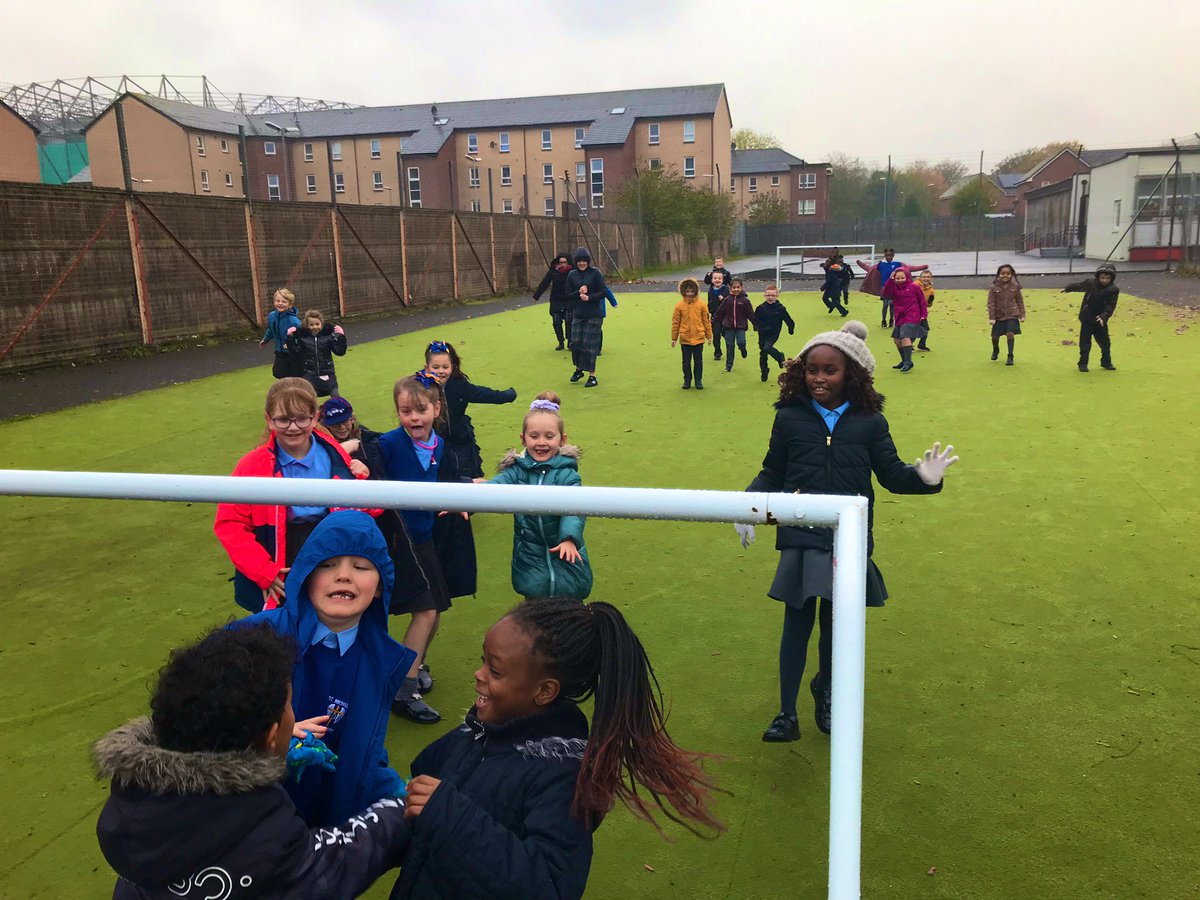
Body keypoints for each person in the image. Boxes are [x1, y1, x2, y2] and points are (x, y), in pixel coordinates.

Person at [388, 597, 723, 899]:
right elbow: (419, 785)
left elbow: (551, 884)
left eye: (495, 670)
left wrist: (450, 817)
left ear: (545, 691)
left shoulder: (564, 777)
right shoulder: (479, 731)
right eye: (483, 661)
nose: (478, 674)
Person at [735, 321, 958, 742]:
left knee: (836, 627)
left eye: (830, 370)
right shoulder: (789, 417)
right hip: (801, 535)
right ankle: (786, 713)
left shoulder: (870, 422)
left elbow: (891, 475)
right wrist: (747, 507)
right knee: (796, 623)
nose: (819, 378)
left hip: (847, 541)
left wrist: (925, 477)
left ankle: (828, 692)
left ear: (851, 374)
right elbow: (772, 471)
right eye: (812, 369)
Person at [93, 623, 410, 899]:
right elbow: (338, 861)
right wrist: (402, 812)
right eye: (288, 705)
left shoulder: (130, 808)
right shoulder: (269, 833)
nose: (293, 717)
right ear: (272, 735)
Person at [240, 510, 418, 827]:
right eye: (327, 564)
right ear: (305, 577)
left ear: (380, 587)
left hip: (324, 828)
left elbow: (364, 751)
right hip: (249, 816)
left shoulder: (381, 659)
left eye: (362, 566)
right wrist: (265, 737)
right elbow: (198, 721)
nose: (344, 575)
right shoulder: (251, 639)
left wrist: (399, 796)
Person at [214, 378, 371, 613]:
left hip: (330, 550)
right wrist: (264, 571)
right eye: (283, 419)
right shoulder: (252, 466)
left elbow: (363, 512)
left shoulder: (333, 453)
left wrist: (361, 480)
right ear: (269, 420)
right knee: (281, 634)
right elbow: (230, 524)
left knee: (333, 625)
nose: (293, 427)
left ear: (315, 417)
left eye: (301, 418)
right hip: (279, 557)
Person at [377, 372, 465, 725]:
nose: (413, 418)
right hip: (400, 539)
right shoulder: (388, 443)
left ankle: (417, 663)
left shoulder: (439, 445)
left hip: (425, 535)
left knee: (437, 608)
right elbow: (365, 453)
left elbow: (441, 481)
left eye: (420, 410)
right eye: (405, 411)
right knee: (425, 610)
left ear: (436, 409)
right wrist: (353, 448)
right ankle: (403, 688)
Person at [321, 395, 436, 629]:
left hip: (380, 529)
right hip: (342, 535)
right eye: (335, 424)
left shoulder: (373, 440)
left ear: (352, 418)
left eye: (345, 421)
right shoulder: (321, 450)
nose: (342, 427)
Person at [484, 393, 593, 601]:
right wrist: (465, 500)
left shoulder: (567, 473)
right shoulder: (517, 471)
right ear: (523, 439)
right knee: (535, 610)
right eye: (534, 436)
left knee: (571, 609)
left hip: (566, 555)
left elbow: (575, 507)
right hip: (530, 560)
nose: (541, 443)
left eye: (549, 436)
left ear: (562, 440)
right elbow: (494, 489)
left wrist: (569, 538)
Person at [425, 340, 517, 479]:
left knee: (466, 471)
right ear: (427, 368)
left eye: (445, 367)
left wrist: (505, 396)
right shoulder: (422, 389)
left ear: (452, 366)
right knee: (439, 473)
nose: (441, 371)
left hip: (461, 440)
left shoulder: (459, 385)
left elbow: (481, 393)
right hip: (434, 441)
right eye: (436, 367)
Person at [1063, 263, 1119, 372]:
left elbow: (1110, 305)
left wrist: (1104, 316)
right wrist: (1069, 288)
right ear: (1098, 277)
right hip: (1087, 317)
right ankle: (1083, 363)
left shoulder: (1113, 289)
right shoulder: (1091, 283)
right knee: (1085, 342)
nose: (1105, 280)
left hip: (1100, 320)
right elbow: (1079, 286)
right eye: (1102, 277)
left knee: (1105, 342)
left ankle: (1106, 361)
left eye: (1108, 278)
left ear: (1112, 279)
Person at [565, 248, 608, 388]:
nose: (582, 263)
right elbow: (567, 294)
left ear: (588, 261)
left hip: (594, 314)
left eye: (584, 261)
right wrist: (578, 292)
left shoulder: (595, 273)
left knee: (589, 344)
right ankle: (578, 369)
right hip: (578, 314)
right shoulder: (572, 275)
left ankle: (592, 376)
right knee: (575, 343)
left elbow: (603, 292)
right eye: (579, 261)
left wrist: (589, 297)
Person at [856, 250, 928, 327]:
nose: (888, 257)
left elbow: (909, 268)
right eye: (887, 256)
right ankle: (883, 320)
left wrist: (924, 267)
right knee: (885, 304)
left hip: (894, 288)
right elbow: (870, 269)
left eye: (890, 256)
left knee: (892, 304)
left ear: (893, 256)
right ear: (885, 256)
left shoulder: (898, 264)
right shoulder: (881, 265)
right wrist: (860, 263)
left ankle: (891, 319)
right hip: (884, 288)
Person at [286, 309, 347, 398]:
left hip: (327, 371)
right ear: (307, 325)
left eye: (317, 324)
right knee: (308, 396)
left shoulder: (328, 337)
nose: (315, 327)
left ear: (321, 324)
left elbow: (340, 352)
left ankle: (341, 411)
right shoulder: (303, 338)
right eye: (311, 325)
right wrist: (290, 338)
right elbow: (295, 352)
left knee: (335, 395)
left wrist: (341, 336)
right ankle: (311, 411)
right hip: (310, 372)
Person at [881, 267, 928, 373]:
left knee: (904, 336)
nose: (900, 280)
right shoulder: (893, 288)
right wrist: (890, 279)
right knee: (897, 340)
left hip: (912, 315)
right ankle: (904, 361)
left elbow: (922, 302)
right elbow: (885, 293)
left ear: (907, 277)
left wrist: (924, 316)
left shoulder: (914, 287)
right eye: (898, 278)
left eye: (902, 278)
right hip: (899, 316)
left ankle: (908, 362)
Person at [671, 277, 713, 390]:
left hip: (699, 338)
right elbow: (675, 322)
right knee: (686, 362)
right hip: (685, 338)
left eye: (691, 291)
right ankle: (687, 380)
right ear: (683, 291)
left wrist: (709, 336)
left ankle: (698, 380)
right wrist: (674, 338)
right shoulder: (679, 306)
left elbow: (706, 321)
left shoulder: (702, 305)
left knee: (698, 361)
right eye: (687, 291)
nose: (689, 293)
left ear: (695, 291)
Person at [752, 284, 795, 384]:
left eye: (773, 295)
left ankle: (780, 356)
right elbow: (755, 319)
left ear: (777, 296)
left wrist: (791, 328)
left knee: (767, 348)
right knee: (763, 353)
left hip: (773, 333)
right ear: (765, 295)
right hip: (762, 333)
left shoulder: (780, 308)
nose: (770, 297)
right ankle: (764, 370)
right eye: (768, 295)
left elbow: (788, 320)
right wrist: (757, 327)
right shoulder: (760, 308)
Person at [532, 252, 574, 351]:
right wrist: (536, 296)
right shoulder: (554, 271)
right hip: (556, 300)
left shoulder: (573, 272)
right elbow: (545, 283)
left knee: (569, 321)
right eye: (561, 262)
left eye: (565, 262)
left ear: (568, 262)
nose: (563, 264)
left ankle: (570, 342)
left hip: (569, 299)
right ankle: (560, 342)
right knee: (556, 321)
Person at [713, 277, 755, 371]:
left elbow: (750, 314)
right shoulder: (727, 300)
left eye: (738, 287)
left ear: (741, 287)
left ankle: (742, 349)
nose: (736, 289)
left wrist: (755, 323)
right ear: (730, 288)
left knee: (741, 342)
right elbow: (720, 312)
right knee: (730, 346)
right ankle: (729, 365)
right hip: (728, 327)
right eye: (734, 287)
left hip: (741, 326)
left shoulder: (745, 300)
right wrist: (714, 320)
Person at [987, 264, 1025, 366]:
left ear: (1011, 274)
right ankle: (996, 350)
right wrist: (992, 317)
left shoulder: (1015, 287)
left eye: (1008, 274)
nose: (1005, 276)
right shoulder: (993, 287)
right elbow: (991, 303)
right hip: (998, 316)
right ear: (999, 274)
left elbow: (1020, 301)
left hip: (1012, 315)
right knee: (995, 337)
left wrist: (1022, 315)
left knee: (1010, 334)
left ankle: (1010, 356)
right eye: (1003, 273)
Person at [260, 287, 302, 379]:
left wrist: (291, 344)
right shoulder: (272, 316)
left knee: (295, 375)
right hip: (280, 351)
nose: (280, 304)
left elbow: (301, 336)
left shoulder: (293, 321)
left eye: (283, 302)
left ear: (290, 305)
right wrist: (265, 340)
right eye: (277, 301)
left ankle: (297, 390)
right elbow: (271, 330)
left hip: (293, 352)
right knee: (278, 373)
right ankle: (287, 390)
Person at [706, 271, 731, 361]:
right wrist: (709, 311)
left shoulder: (726, 289)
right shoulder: (710, 290)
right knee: (716, 335)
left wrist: (723, 298)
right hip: (715, 316)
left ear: (722, 280)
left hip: (725, 316)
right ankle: (717, 352)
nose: (717, 280)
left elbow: (729, 301)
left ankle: (730, 351)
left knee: (726, 335)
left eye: (719, 278)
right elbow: (710, 302)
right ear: (712, 280)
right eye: (715, 278)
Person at [915, 270, 935, 351]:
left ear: (931, 278)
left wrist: (930, 302)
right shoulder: (915, 286)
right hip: (913, 311)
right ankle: (908, 345)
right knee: (913, 328)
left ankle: (921, 345)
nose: (926, 279)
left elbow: (928, 305)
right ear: (920, 278)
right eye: (924, 277)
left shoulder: (931, 290)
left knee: (925, 328)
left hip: (923, 312)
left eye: (928, 277)